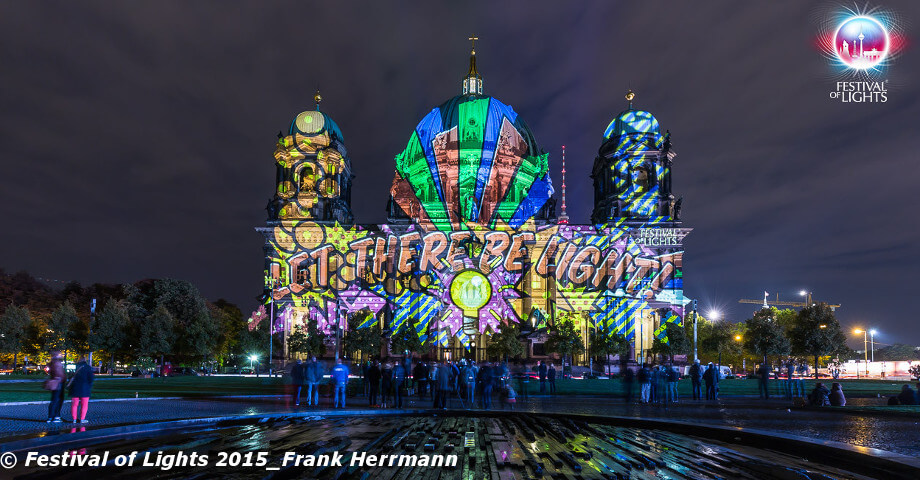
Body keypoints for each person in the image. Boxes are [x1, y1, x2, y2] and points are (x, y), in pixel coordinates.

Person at [69, 356, 94, 423]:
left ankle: (74, 419)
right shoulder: (88, 367)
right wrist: (89, 386)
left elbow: (70, 376)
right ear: (85, 360)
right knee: (84, 405)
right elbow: (91, 379)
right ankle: (82, 419)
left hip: (75, 388)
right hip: (85, 389)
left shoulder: (75, 367)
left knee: (74, 404)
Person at [44, 350, 66, 423]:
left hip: (54, 382)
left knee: (54, 400)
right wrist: (64, 378)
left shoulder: (51, 363)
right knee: (58, 400)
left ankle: (50, 417)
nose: (61, 355)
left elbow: (49, 372)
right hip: (59, 383)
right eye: (60, 354)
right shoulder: (57, 363)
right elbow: (60, 374)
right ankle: (56, 416)